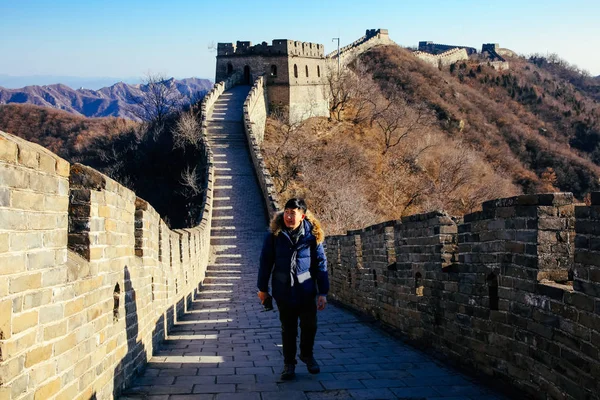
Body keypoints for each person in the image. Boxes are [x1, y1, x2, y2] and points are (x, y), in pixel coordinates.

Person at [257, 198, 329, 380]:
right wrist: (262, 289)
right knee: (288, 329)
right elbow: (265, 262)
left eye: (293, 213)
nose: (289, 216)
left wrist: (323, 292)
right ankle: (289, 364)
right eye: (287, 212)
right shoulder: (274, 235)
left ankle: (306, 354)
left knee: (309, 326)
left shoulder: (313, 236)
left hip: (306, 290)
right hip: (283, 290)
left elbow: (321, 264)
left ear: (302, 215)